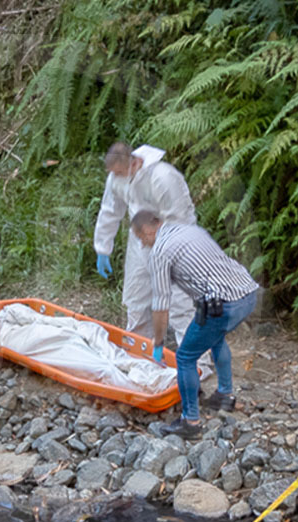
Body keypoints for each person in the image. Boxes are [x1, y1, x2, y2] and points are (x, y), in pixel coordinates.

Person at [133, 211, 259, 438]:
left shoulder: (160, 252)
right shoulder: (191, 230)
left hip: (223, 305)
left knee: (185, 357)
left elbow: (161, 305)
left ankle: (190, 422)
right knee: (216, 337)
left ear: (148, 230)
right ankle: (225, 396)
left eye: (141, 239)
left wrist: (159, 342)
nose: (143, 244)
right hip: (248, 294)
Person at [93, 143, 200, 344]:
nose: (115, 176)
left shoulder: (163, 177)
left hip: (175, 242)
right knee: (136, 297)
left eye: (119, 171)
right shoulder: (116, 178)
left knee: (179, 303)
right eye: (113, 172)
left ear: (134, 163)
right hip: (140, 241)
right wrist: (102, 248)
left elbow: (180, 217)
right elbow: (110, 211)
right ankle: (138, 350)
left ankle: (196, 361)